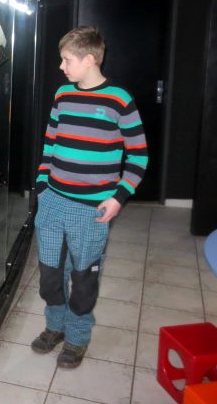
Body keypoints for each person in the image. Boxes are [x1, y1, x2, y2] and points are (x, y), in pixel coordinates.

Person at [32, 26, 148, 369]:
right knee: (50, 275)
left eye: (66, 60)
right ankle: (55, 326)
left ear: (89, 60)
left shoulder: (119, 100)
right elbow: (50, 142)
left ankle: (78, 337)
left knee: (82, 278)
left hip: (91, 208)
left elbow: (139, 156)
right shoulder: (62, 94)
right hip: (53, 200)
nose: (61, 67)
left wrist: (118, 198)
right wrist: (42, 183)